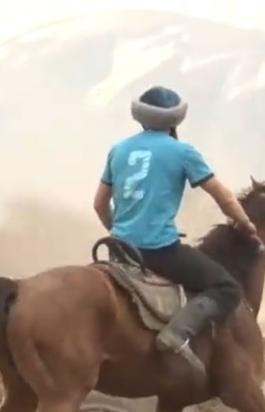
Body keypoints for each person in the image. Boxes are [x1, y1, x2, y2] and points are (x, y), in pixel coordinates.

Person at [93, 85, 249, 378]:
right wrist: (245, 223)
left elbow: (99, 204)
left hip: (120, 249)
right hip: (159, 250)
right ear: (175, 121)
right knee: (227, 288)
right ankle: (177, 333)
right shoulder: (183, 152)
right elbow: (222, 196)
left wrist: (117, 232)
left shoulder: (119, 150)